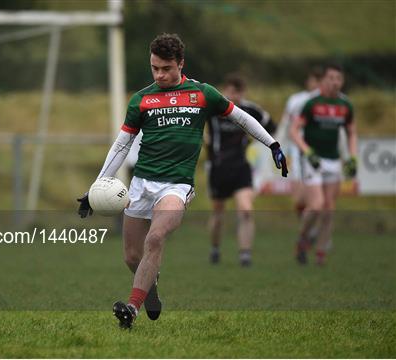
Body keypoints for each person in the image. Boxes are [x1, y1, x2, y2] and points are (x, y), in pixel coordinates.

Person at [77, 33, 288, 329]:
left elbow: (241, 118)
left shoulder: (203, 94)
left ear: (180, 64)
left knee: (155, 237)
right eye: (154, 68)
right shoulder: (141, 99)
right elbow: (122, 145)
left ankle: (131, 310)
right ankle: (150, 289)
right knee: (131, 257)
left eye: (166, 68)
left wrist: (273, 144)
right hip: (141, 185)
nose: (160, 74)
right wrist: (96, 187)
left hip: (176, 186)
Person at [290, 63, 357, 265]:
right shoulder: (312, 103)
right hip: (313, 160)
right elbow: (294, 131)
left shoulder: (345, 105)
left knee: (329, 209)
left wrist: (352, 157)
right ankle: (303, 238)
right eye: (331, 78)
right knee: (317, 206)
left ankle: (320, 252)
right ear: (324, 80)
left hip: (333, 160)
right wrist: (307, 151)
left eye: (338, 78)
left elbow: (352, 133)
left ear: (342, 81)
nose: (335, 82)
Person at [206, 74, 276, 267]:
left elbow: (271, 126)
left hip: (241, 167)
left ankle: (245, 254)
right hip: (218, 168)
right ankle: (215, 248)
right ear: (225, 90)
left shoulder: (250, 110)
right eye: (230, 90)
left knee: (245, 209)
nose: (233, 95)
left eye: (237, 91)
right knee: (218, 214)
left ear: (243, 93)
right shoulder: (213, 109)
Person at [275, 68, 322, 215]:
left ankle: (312, 226)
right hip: (299, 148)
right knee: (299, 191)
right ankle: (306, 222)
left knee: (317, 192)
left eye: (314, 80)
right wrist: (276, 143)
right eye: (310, 80)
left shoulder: (326, 100)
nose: (310, 83)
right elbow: (285, 124)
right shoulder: (296, 100)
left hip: (319, 147)